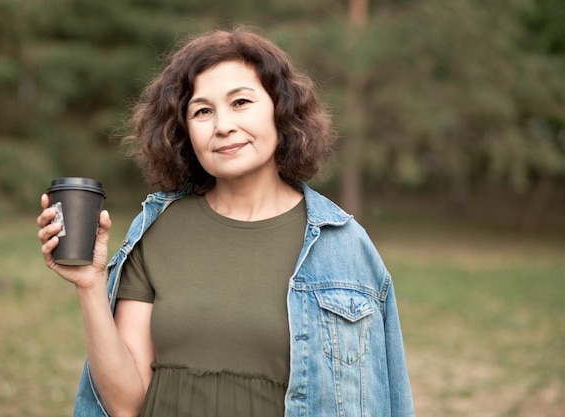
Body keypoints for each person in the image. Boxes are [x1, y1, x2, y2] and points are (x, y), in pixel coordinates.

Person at [37, 27, 414, 417]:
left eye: (241, 102)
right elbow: (125, 403)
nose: (222, 126)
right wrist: (90, 285)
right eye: (203, 111)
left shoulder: (343, 245)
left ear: (279, 110)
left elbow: (388, 399)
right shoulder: (156, 230)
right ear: (184, 130)